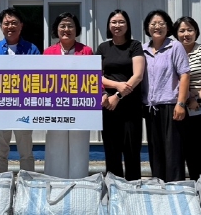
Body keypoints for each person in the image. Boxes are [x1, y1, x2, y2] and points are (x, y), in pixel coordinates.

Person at [0, 7, 40, 173]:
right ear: (1, 26)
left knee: (26, 151)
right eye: (6, 23)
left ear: (21, 25)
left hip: (24, 106)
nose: (10, 26)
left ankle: (28, 182)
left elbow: (40, 74)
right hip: (1, 107)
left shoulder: (32, 49)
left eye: (14, 23)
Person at [42, 12, 94, 179]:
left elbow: (94, 78)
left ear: (76, 29)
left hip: (80, 107)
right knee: (55, 145)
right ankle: (54, 182)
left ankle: (79, 183)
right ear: (56, 29)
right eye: (62, 26)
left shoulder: (86, 51)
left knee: (79, 145)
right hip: (55, 107)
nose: (66, 29)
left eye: (70, 26)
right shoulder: (48, 52)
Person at [96, 9, 144, 181]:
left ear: (127, 25)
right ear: (109, 25)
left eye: (121, 22)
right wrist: (115, 86)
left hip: (131, 105)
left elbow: (138, 76)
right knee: (111, 151)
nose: (117, 25)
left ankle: (132, 188)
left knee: (132, 151)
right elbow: (96, 75)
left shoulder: (135, 45)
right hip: (108, 105)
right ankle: (113, 187)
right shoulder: (103, 47)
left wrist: (118, 95)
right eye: (114, 22)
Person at [141, 10, 190, 182]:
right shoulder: (143, 49)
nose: (157, 27)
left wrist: (181, 103)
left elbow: (184, 75)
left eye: (161, 24)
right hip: (151, 108)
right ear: (147, 27)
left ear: (168, 27)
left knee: (173, 151)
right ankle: (158, 185)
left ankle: (175, 188)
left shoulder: (175, 46)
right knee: (155, 151)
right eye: (153, 24)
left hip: (171, 105)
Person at [173, 16, 201, 180]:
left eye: (190, 30)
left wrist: (197, 99)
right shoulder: (173, 52)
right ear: (176, 34)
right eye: (182, 31)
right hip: (181, 106)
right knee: (189, 152)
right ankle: (195, 185)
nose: (186, 34)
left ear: (196, 32)